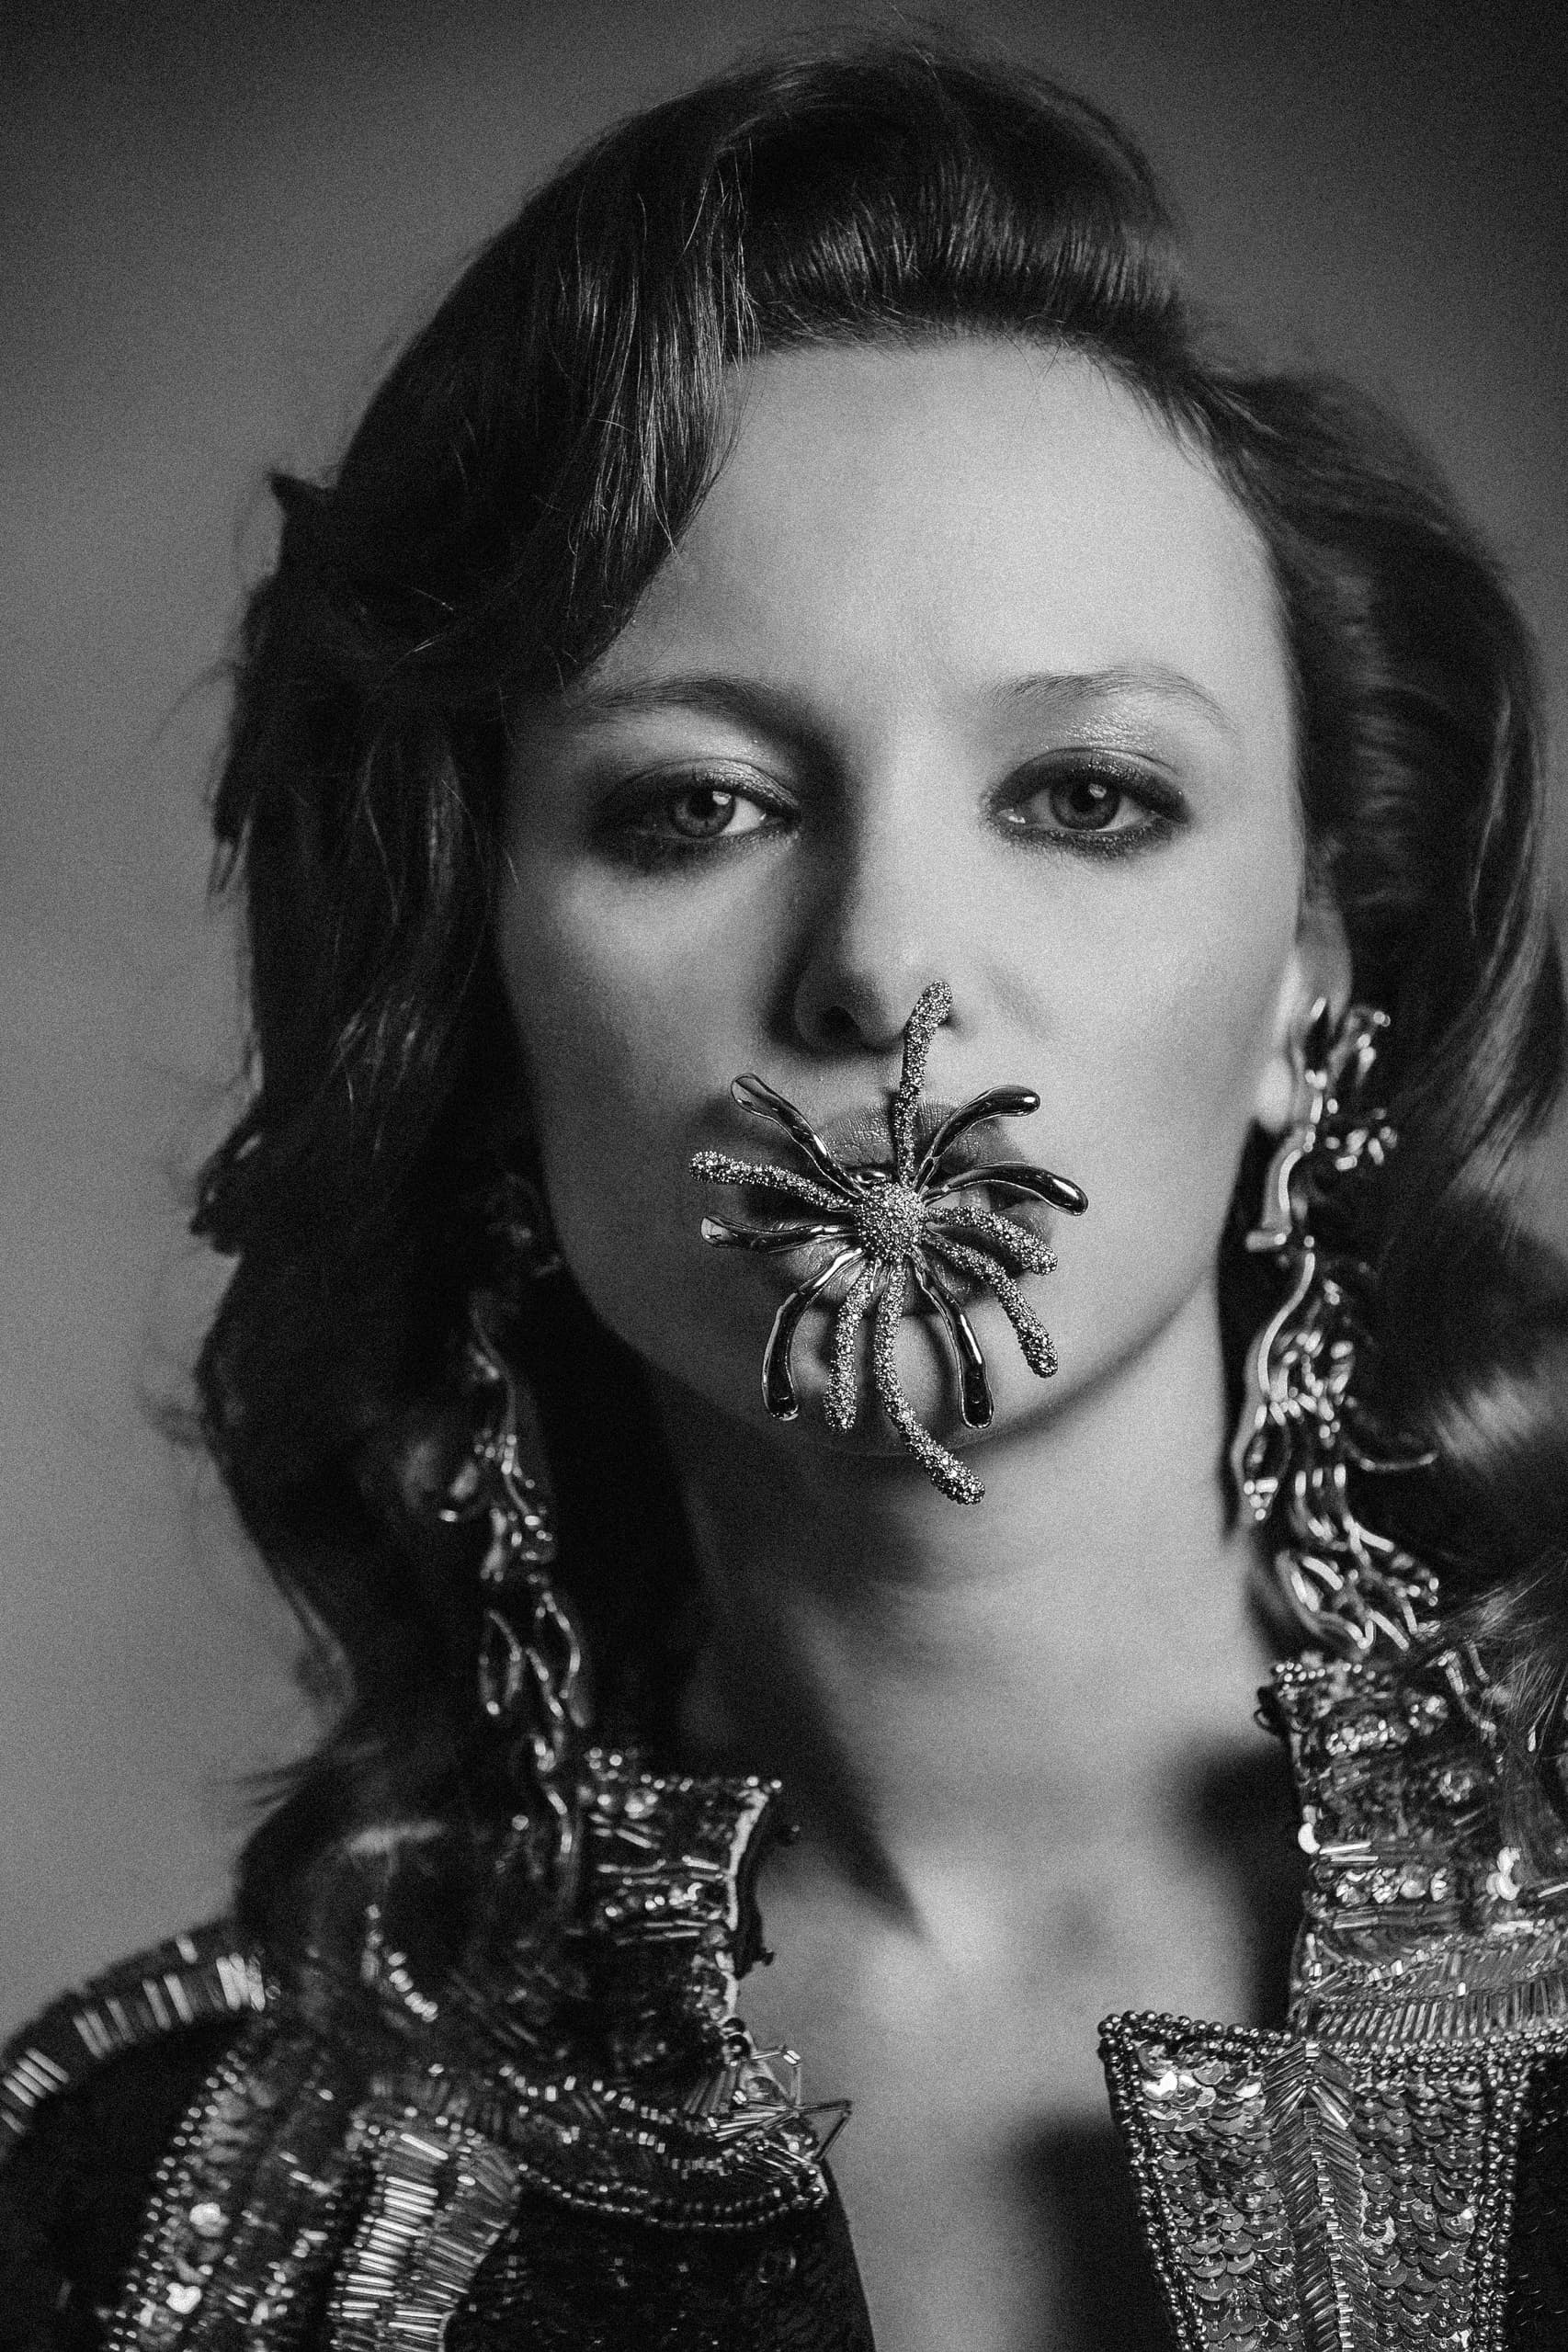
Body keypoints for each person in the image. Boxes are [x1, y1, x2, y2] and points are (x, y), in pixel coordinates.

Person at [4, 35, 1568, 2351]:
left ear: (1305, 979)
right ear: (483, 1003)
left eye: (1086, 793)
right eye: (694, 807)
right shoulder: (169, 2206)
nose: (885, 973)